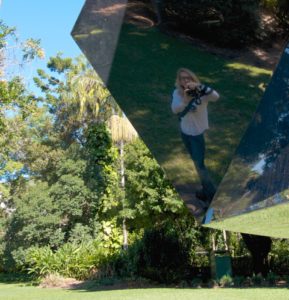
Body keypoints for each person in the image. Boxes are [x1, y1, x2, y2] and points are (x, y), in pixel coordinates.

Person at [171, 68, 220, 204]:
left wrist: (200, 87)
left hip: (197, 134)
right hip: (185, 132)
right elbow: (175, 109)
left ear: (193, 79)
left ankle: (211, 195)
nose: (185, 81)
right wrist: (185, 100)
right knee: (196, 162)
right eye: (182, 78)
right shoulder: (178, 93)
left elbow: (216, 97)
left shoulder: (203, 93)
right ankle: (206, 190)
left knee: (200, 165)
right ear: (179, 81)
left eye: (188, 78)